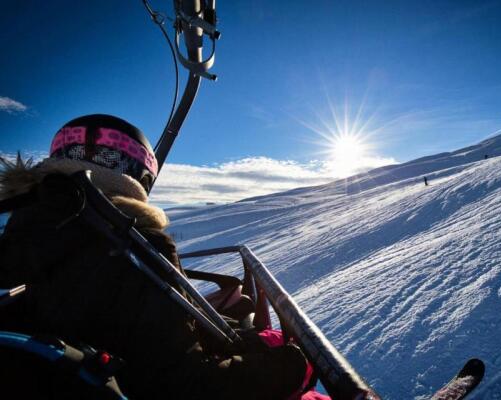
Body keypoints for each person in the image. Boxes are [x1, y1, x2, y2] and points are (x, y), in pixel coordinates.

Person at [0, 114, 309, 399]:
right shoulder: (135, 243)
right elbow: (181, 385)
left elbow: (121, 319)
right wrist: (289, 368)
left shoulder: (20, 228)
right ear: (140, 174)